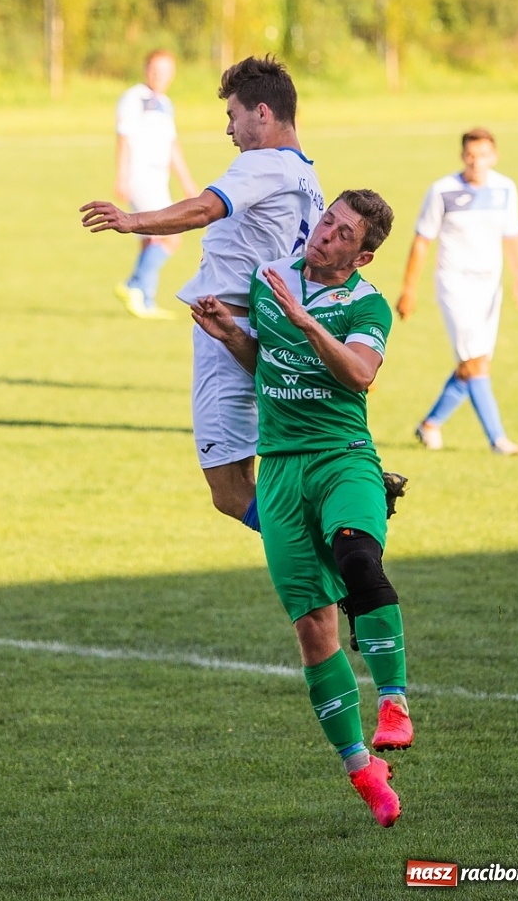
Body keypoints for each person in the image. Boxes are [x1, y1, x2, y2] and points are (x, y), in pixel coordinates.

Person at [191, 190, 411, 828]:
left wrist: (308, 321)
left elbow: (361, 374)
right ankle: (362, 769)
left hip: (342, 453)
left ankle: (394, 702)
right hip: (282, 468)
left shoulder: (365, 305)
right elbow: (268, 363)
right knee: (315, 631)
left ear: (363, 254)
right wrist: (233, 334)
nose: (325, 235)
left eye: (344, 235)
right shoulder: (272, 279)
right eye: (327, 221)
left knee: (358, 556)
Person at [82, 54, 324, 528]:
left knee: (230, 491)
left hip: (225, 329)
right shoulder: (308, 177)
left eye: (232, 115)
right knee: (258, 478)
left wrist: (132, 221)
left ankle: (336, 551)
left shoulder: (262, 165)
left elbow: (203, 210)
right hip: (264, 334)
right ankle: (330, 563)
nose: (229, 130)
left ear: (262, 113)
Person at [396, 127, 518, 455]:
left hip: (490, 286)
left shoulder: (505, 189)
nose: (477, 162)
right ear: (462, 157)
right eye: (471, 155)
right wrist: (409, 289)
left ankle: (430, 425)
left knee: (476, 362)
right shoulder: (442, 191)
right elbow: (422, 241)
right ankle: (498, 440)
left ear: (494, 156)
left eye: (483, 154)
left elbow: (512, 236)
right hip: (454, 284)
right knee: (474, 362)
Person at [112, 49, 199, 320]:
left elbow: (172, 146)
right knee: (171, 235)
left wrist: (186, 181)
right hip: (140, 177)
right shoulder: (134, 98)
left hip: (158, 178)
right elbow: (123, 138)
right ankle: (133, 285)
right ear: (145, 68)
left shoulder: (165, 103)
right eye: (155, 69)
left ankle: (145, 300)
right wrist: (122, 175)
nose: (159, 75)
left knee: (150, 238)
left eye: (165, 70)